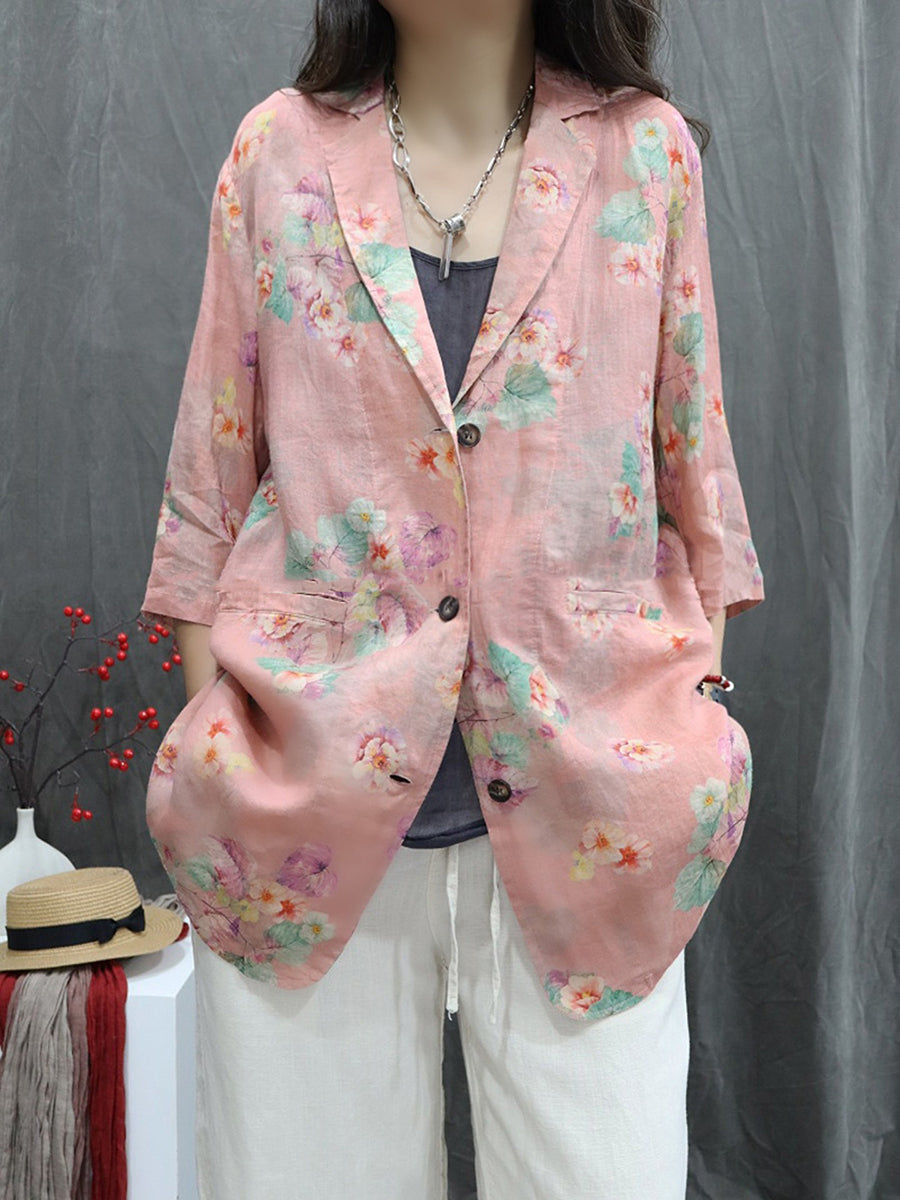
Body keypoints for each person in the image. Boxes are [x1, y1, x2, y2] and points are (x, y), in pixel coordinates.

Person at [141, 1, 766, 1196]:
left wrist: (680, 731)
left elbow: (698, 478)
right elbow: (206, 488)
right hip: (301, 821)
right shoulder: (278, 152)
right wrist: (227, 739)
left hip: (594, 817)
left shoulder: (643, 153)